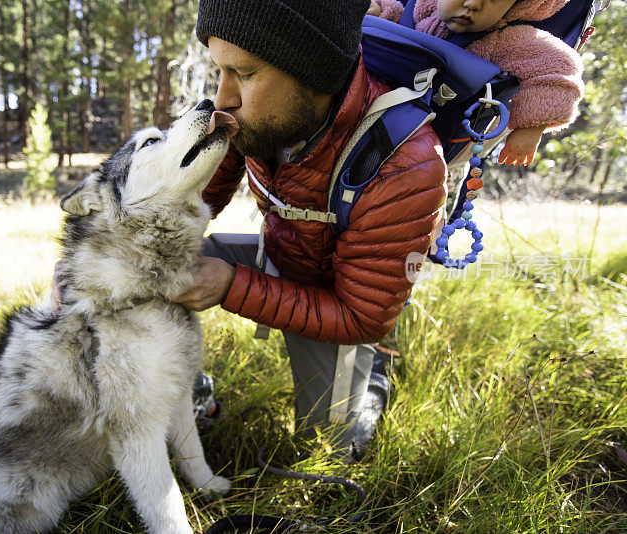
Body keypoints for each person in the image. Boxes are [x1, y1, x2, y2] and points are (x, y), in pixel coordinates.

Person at [169, 0, 448, 459]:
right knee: (154, 271)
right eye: (218, 71)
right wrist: (100, 263)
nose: (222, 100)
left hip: (341, 300)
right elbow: (189, 199)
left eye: (244, 73)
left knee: (331, 453)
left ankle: (374, 377)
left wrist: (230, 285)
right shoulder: (252, 116)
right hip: (282, 255)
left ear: (313, 71)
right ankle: (179, 388)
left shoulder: (405, 163)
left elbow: (363, 317)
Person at [369, 0, 585, 166]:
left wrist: (530, 128)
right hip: (373, 114)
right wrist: (381, 12)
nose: (472, 4)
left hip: (433, 145)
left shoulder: (507, 39)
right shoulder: (422, 5)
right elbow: (400, 16)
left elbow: (559, 65)